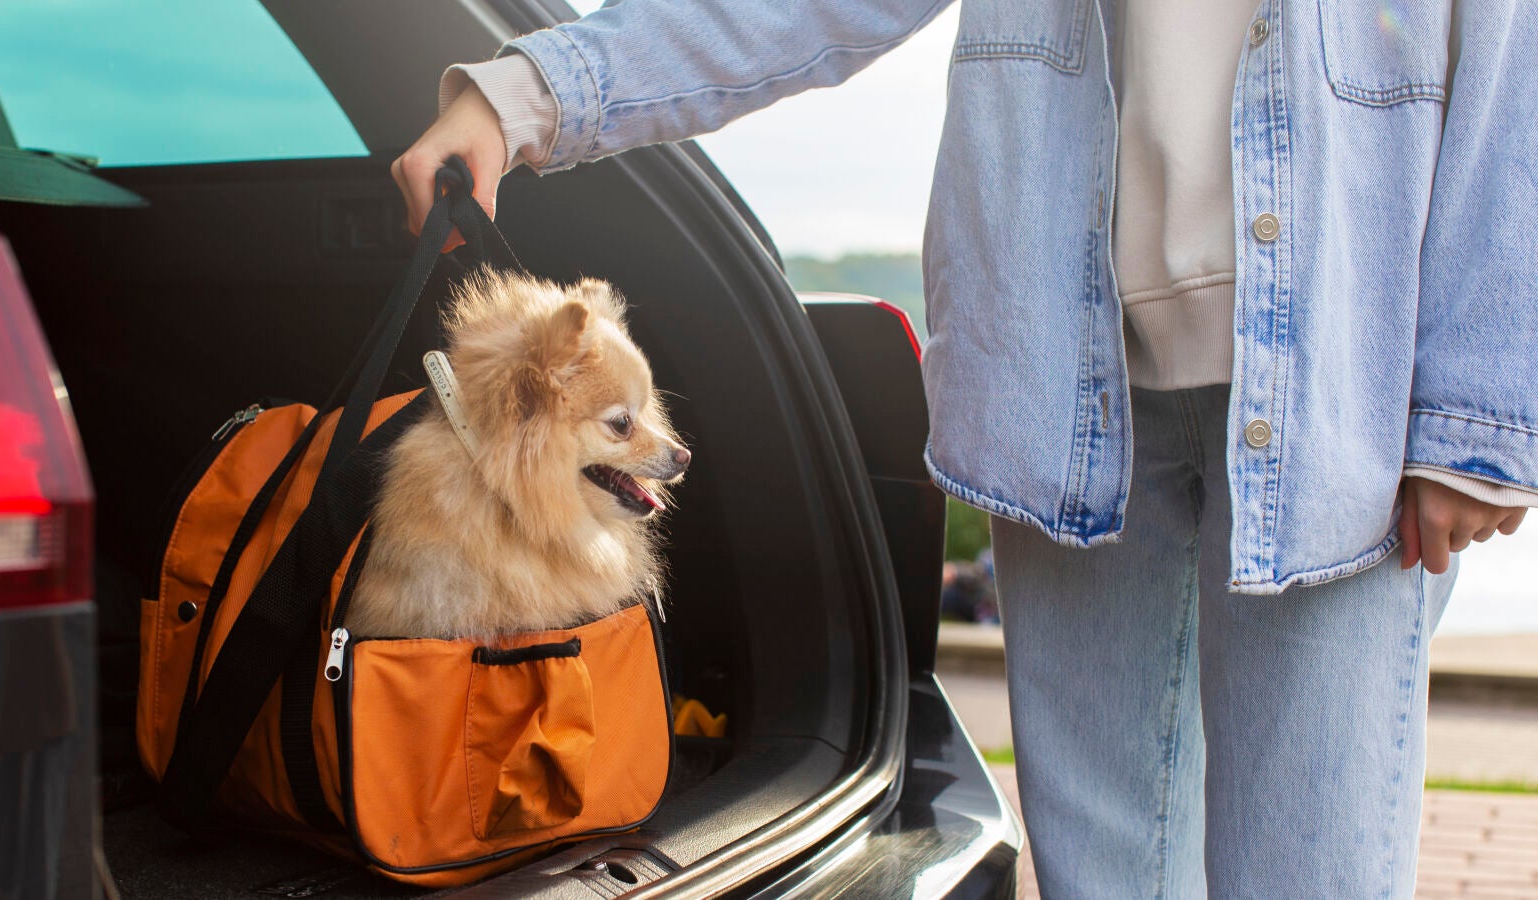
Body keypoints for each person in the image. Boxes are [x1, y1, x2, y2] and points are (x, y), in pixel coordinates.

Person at [392, 1, 1537, 895]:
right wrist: (529, 94)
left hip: (1339, 398)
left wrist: (1477, 420)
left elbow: (1508, 65)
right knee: (1102, 884)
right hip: (1070, 399)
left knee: (1310, 878)